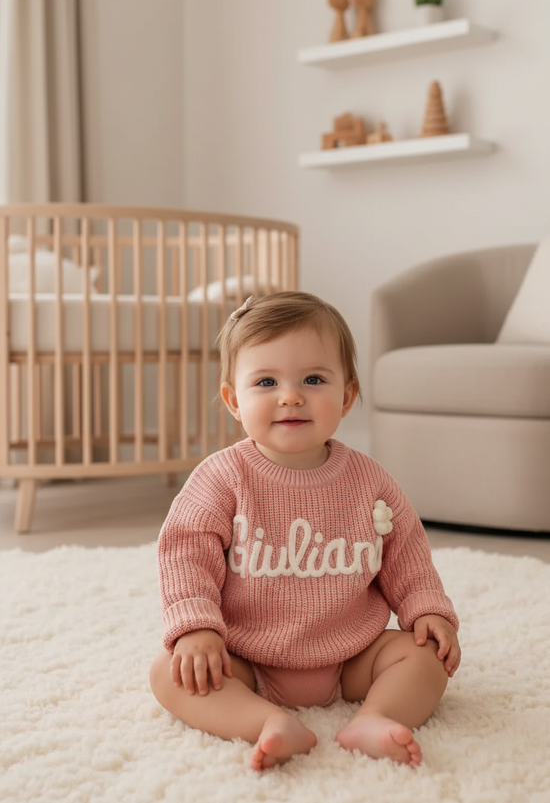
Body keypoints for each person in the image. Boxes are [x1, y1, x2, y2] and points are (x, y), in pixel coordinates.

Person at [150, 291, 461, 772]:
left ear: (347, 396)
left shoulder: (370, 481)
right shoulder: (222, 478)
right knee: (169, 675)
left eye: (313, 379)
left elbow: (407, 554)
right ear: (234, 401)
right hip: (247, 657)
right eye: (266, 382)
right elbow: (185, 554)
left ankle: (375, 718)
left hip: (353, 656)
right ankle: (266, 721)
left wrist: (427, 609)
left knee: (426, 657)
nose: (290, 396)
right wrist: (196, 628)